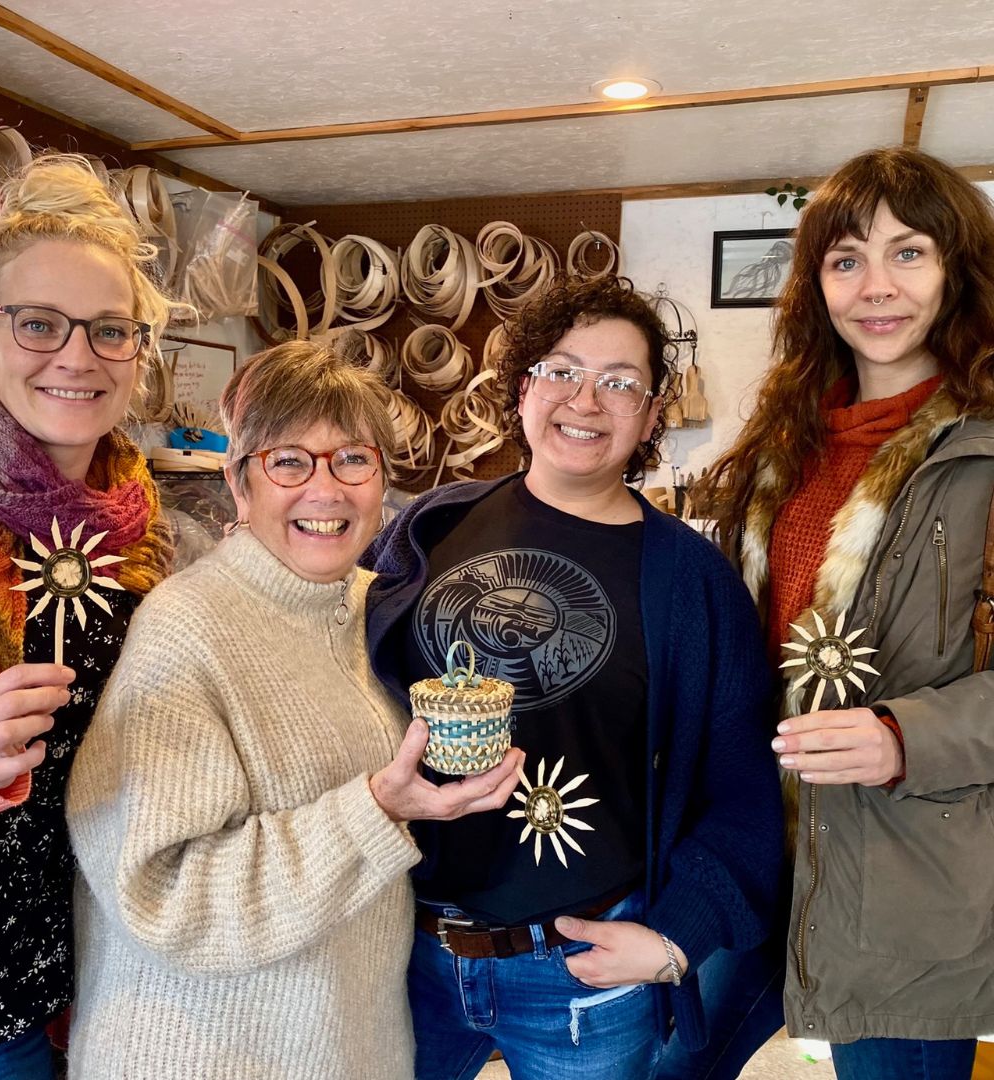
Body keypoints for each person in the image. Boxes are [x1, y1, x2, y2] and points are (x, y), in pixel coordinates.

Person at [362, 274, 784, 1079]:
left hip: (582, 975)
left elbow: (742, 788)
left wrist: (675, 939)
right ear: (524, 390)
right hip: (402, 950)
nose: (585, 400)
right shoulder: (433, 524)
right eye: (562, 371)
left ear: (653, 415)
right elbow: (340, 687)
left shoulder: (693, 584)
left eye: (620, 383)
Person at [65, 343, 523, 1080]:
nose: (327, 489)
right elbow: (164, 895)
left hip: (345, 1045)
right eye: (289, 462)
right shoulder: (188, 630)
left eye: (352, 459)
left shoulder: (372, 606)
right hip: (205, 1056)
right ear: (238, 485)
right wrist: (378, 810)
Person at [705, 147, 994, 1080]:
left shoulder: (985, 451)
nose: (876, 287)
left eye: (909, 253)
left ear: (958, 269)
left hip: (905, 881)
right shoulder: (779, 446)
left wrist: (908, 736)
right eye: (845, 259)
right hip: (755, 848)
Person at [0, 155, 177, 1077]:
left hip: (35, 1007)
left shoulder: (139, 535)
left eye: (111, 330)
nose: (77, 356)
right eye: (39, 324)